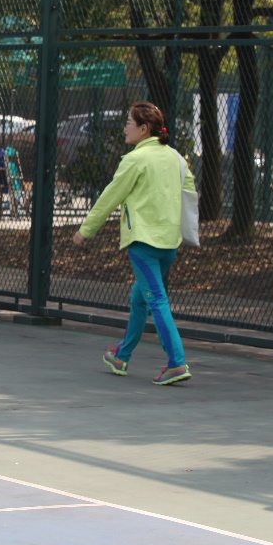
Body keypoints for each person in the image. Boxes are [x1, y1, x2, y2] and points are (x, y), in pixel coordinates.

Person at [72, 101, 196, 386]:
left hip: (143, 243)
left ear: (143, 129)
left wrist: (86, 230)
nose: (125, 127)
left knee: (157, 300)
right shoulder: (176, 158)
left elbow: (110, 196)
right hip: (170, 243)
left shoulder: (135, 160)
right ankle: (121, 355)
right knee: (140, 298)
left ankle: (177, 363)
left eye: (129, 122)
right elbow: (189, 191)